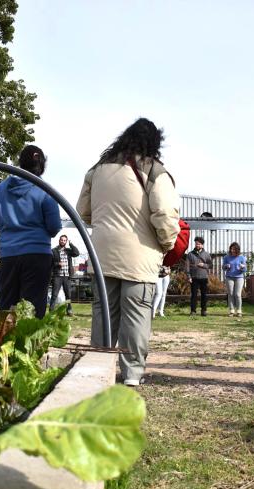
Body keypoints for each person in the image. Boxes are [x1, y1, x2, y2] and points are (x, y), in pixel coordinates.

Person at [76, 118, 180, 386]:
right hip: (140, 258)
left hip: (101, 256)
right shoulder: (155, 171)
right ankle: (132, 375)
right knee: (136, 318)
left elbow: (83, 212)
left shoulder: (97, 170)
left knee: (104, 317)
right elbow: (166, 215)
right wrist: (167, 244)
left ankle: (99, 371)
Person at [0, 145, 61, 316]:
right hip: (37, 253)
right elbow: (54, 227)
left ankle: (4, 339)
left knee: (6, 305)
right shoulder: (45, 190)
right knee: (34, 308)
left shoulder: (1, 189)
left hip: (8, 255)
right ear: (42, 165)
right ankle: (30, 342)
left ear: (20, 163)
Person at [50, 234, 80, 315]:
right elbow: (50, 262)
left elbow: (77, 253)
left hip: (67, 276)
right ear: (59, 240)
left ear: (66, 241)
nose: (63, 241)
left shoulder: (68, 251)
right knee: (54, 294)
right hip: (57, 276)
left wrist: (71, 244)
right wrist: (57, 264)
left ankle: (69, 310)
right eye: (61, 240)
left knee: (68, 295)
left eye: (64, 240)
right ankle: (51, 311)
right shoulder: (54, 251)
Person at [185, 236, 212, 316]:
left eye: (199, 244)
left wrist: (204, 265)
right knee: (194, 295)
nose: (198, 245)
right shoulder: (190, 254)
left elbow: (210, 265)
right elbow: (187, 267)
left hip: (204, 277)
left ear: (202, 245)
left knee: (204, 295)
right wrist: (189, 276)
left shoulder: (207, 254)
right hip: (194, 278)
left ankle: (204, 311)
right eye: (196, 244)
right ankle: (193, 311)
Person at [223, 242, 246, 317]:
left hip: (239, 277)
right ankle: (232, 310)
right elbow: (223, 268)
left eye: (234, 249)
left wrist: (242, 267)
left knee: (238, 294)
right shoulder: (226, 257)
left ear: (237, 250)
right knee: (231, 293)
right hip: (229, 277)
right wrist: (226, 266)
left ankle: (239, 310)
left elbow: (245, 269)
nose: (232, 250)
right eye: (231, 249)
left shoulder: (241, 257)